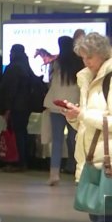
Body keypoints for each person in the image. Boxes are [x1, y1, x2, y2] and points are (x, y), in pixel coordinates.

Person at [63, 32, 112, 222]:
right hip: (92, 159)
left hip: (107, 161)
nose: (86, 62)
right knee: (97, 213)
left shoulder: (108, 80)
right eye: (83, 57)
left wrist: (82, 114)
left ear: (103, 53)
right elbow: (89, 121)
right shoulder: (86, 78)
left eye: (89, 57)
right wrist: (74, 117)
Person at [43, 36, 84, 186]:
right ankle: (77, 172)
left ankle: (54, 173)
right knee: (75, 140)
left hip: (56, 106)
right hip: (74, 105)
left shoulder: (56, 63)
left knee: (57, 140)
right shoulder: (79, 63)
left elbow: (50, 83)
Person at [0, 44, 33, 172]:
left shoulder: (12, 67)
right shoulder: (26, 66)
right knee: (22, 133)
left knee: (16, 134)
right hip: (26, 106)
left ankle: (17, 161)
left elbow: (9, 90)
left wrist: (6, 108)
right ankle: (24, 160)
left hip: (15, 106)